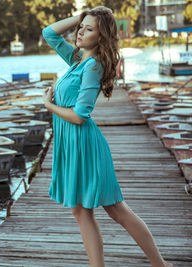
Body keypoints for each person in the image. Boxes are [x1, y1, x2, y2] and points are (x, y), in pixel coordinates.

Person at [41, 6, 173, 267]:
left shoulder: (92, 67)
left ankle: (160, 264)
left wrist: (49, 106)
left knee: (116, 210)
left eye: (89, 29)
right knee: (81, 210)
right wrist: (80, 18)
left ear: (100, 38)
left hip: (84, 145)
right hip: (70, 144)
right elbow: (49, 33)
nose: (80, 32)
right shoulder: (77, 61)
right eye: (81, 27)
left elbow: (80, 115)